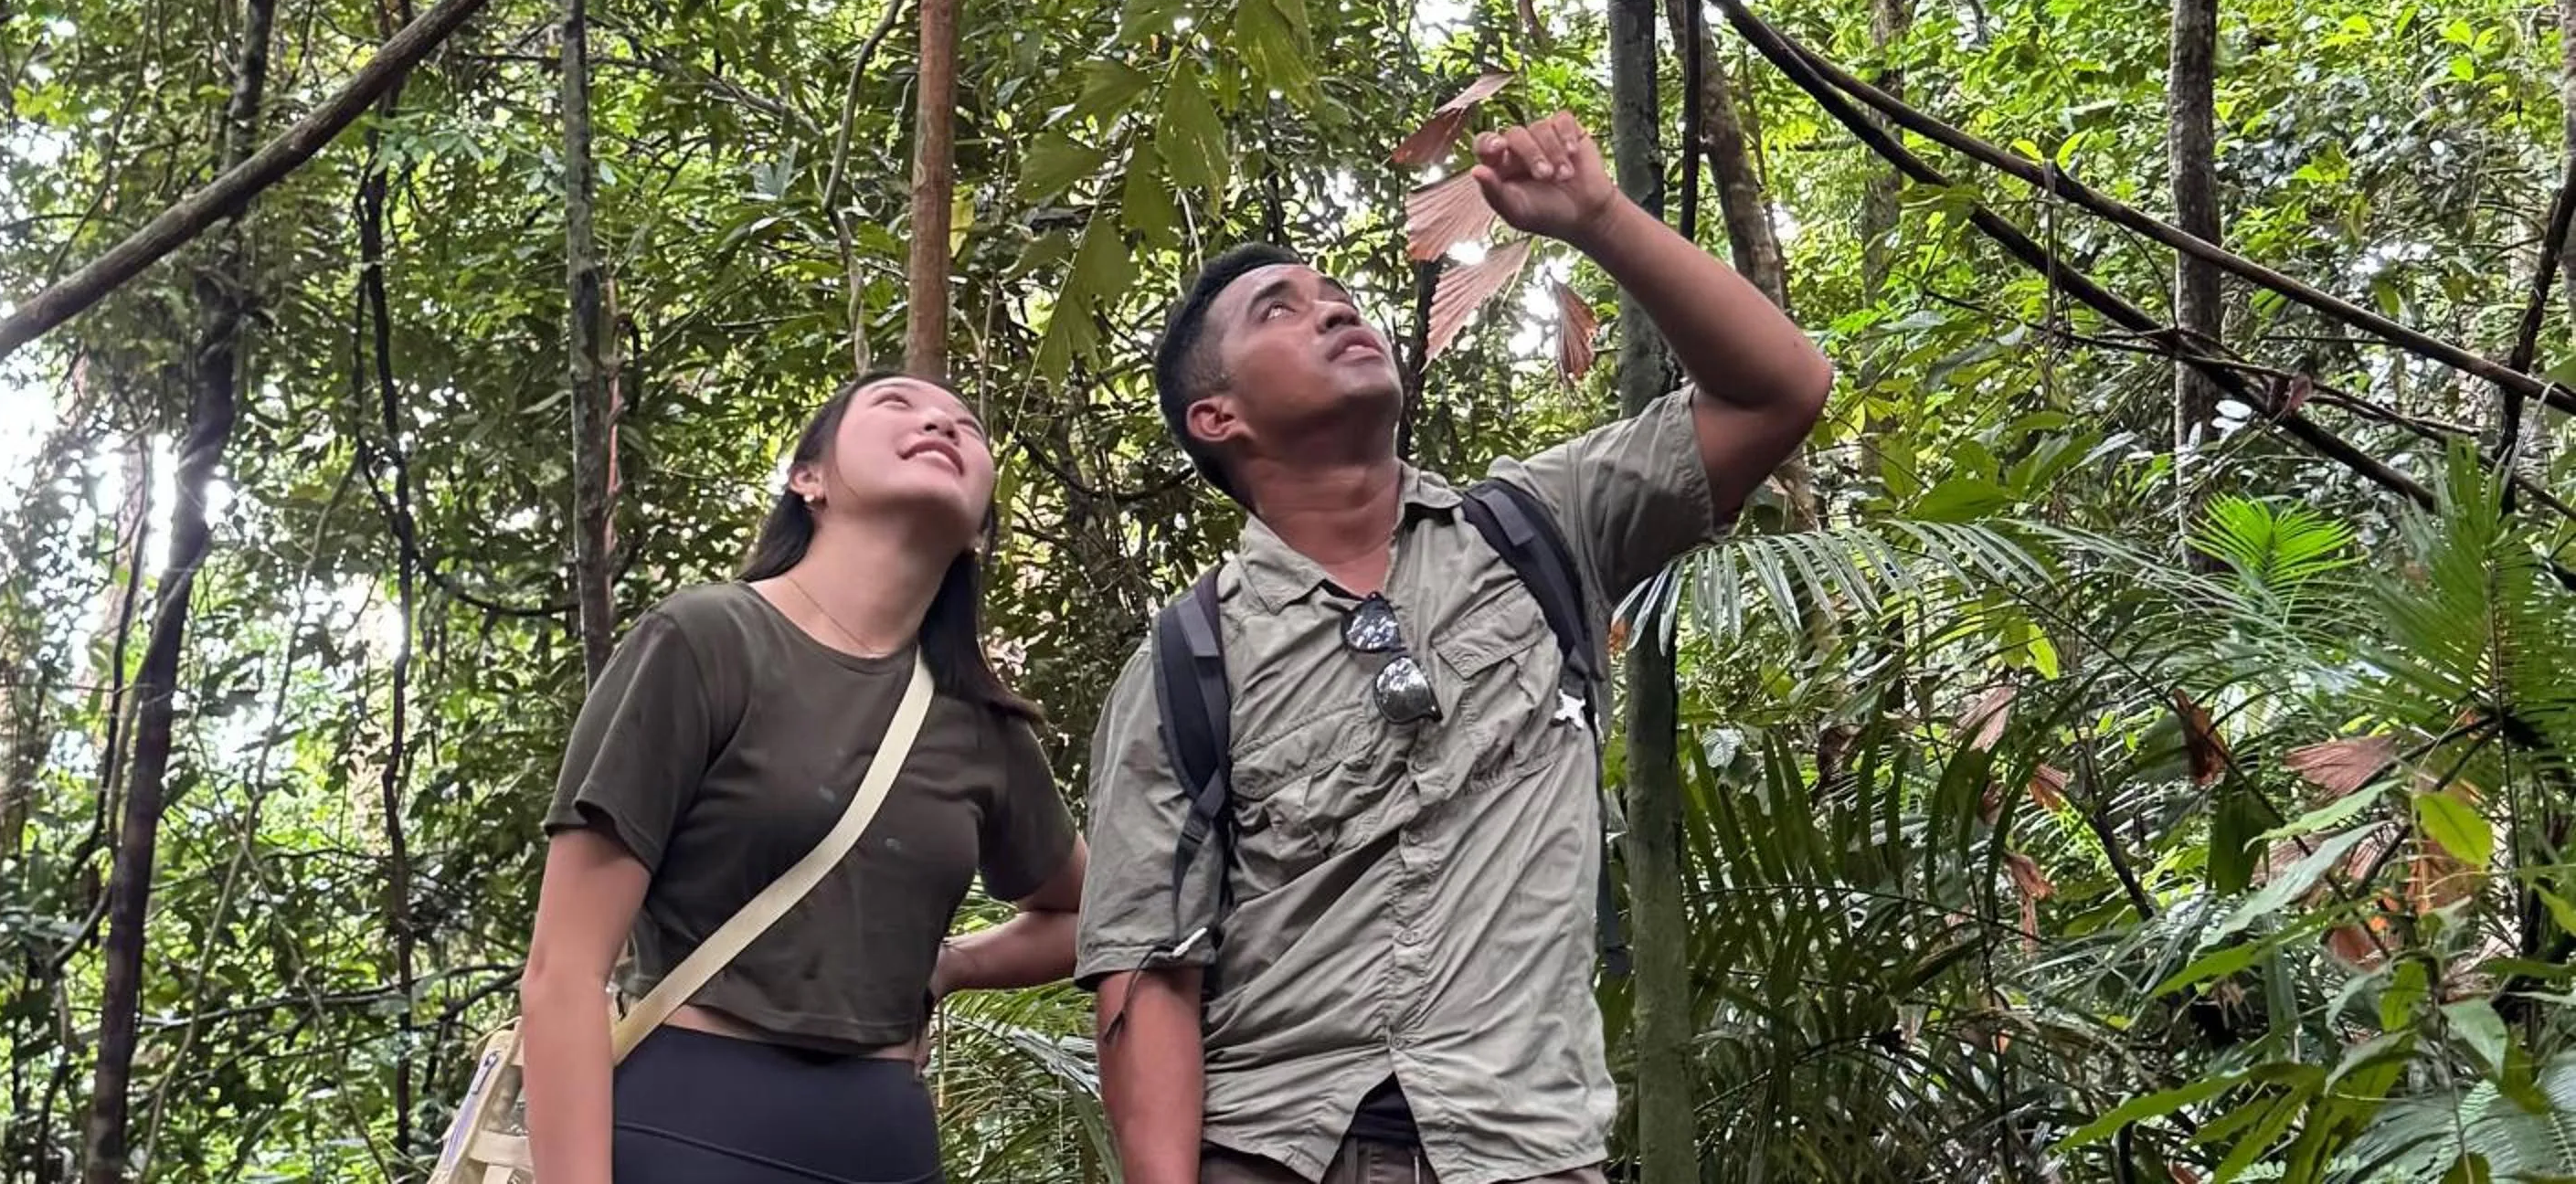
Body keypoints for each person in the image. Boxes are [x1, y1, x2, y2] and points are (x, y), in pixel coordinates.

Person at [1078, 111, 1834, 1184]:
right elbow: (1149, 971)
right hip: (1275, 1152)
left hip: (1521, 1151)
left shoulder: (1539, 529)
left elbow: (1782, 388)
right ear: (1217, 417)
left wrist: (1600, 219)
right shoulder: (1185, 658)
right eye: (1278, 311)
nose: (1332, 307)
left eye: (1335, 293)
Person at [521, 371, 1087, 1184]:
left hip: (887, 1144)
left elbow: (1090, 914)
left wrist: (955, 962)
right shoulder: (705, 640)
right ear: (807, 478)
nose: (940, 424)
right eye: (897, 405)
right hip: (689, 1129)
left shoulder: (980, 723)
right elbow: (563, 974)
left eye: (966, 425)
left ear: (978, 529)